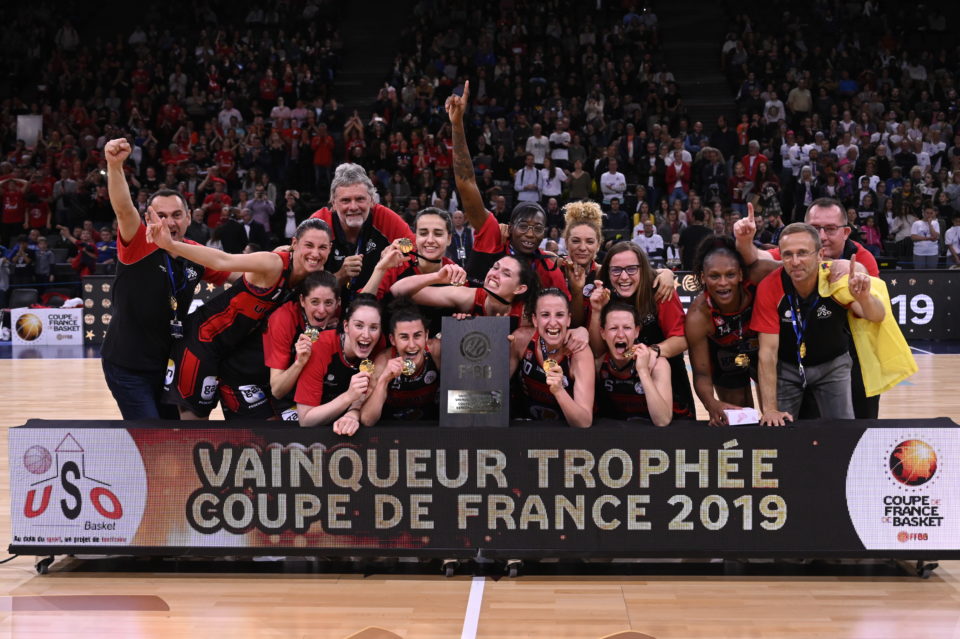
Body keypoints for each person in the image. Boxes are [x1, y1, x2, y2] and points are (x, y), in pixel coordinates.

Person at [150, 216, 331, 419]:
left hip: (232, 352)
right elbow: (223, 260)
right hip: (203, 340)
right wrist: (171, 244)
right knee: (194, 425)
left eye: (322, 247)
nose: (315, 253)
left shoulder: (313, 276)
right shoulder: (273, 263)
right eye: (309, 245)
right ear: (295, 243)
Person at [102, 138, 232, 420]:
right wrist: (114, 166)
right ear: (149, 219)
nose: (169, 223)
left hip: (169, 365)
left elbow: (239, 270)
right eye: (160, 216)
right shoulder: (137, 242)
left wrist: (284, 260)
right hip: (128, 365)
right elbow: (124, 208)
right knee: (150, 435)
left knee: (171, 437)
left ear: (188, 218)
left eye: (176, 215)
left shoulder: (195, 253)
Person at [750, 224, 886, 426]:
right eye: (788, 255)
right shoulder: (770, 286)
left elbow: (877, 316)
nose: (795, 262)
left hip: (833, 365)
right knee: (778, 429)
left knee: (843, 430)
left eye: (802, 253)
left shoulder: (837, 279)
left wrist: (865, 298)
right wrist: (770, 409)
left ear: (820, 254)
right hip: (786, 367)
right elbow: (768, 352)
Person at [446, 83, 569, 296]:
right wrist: (457, 124)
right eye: (524, 226)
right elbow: (466, 182)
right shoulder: (493, 235)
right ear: (509, 228)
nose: (530, 234)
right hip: (471, 325)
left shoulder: (549, 268)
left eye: (538, 228)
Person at [587, 242, 695, 419]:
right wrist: (597, 311)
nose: (623, 277)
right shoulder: (604, 295)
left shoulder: (660, 290)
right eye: (616, 270)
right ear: (607, 272)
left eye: (631, 269)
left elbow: (681, 338)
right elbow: (597, 351)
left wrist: (654, 352)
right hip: (619, 391)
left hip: (665, 384)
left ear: (642, 269)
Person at [685, 235, 764, 426]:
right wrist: (711, 404)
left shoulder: (759, 276)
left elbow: (796, 266)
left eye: (730, 274)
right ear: (703, 278)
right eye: (714, 276)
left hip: (762, 347)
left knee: (776, 411)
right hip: (725, 355)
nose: (723, 283)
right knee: (740, 419)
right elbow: (702, 374)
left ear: (740, 275)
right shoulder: (698, 315)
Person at [309, 163, 415, 298]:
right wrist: (339, 276)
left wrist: (393, 259)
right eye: (345, 200)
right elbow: (305, 283)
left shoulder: (384, 217)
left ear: (372, 201)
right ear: (333, 204)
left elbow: (412, 246)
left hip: (377, 303)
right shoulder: (318, 224)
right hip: (329, 308)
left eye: (360, 199)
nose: (353, 207)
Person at [295, 294, 383, 433]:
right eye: (359, 326)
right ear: (346, 326)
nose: (366, 335)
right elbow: (305, 420)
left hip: (348, 421)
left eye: (374, 327)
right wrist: (348, 397)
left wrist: (353, 413)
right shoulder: (319, 347)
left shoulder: (379, 347)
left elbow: (369, 394)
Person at [509, 288, 595, 427]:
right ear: (535, 320)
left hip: (564, 432)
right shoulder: (521, 340)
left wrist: (559, 391)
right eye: (545, 315)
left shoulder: (579, 353)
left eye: (560, 315)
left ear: (568, 320)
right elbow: (496, 387)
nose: (553, 323)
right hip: (527, 427)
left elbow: (584, 421)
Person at [263, 270, 341, 421]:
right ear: (302, 301)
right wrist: (299, 363)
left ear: (338, 303)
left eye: (329, 303)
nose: (321, 310)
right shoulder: (283, 319)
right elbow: (278, 390)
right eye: (314, 302)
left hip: (325, 391)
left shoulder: (346, 321)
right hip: (286, 396)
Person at [360, 299, 442, 425]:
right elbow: (367, 420)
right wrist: (384, 380)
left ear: (426, 335)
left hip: (432, 426)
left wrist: (463, 322)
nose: (412, 345)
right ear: (392, 340)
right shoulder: (383, 362)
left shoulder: (436, 351)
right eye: (404, 337)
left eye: (417, 336)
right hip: (393, 430)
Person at [391, 257, 535, 328]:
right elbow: (397, 291)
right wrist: (437, 277)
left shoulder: (527, 316)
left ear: (519, 289)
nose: (494, 274)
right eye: (495, 267)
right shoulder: (468, 296)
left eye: (506, 274)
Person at [594, 301, 673, 425]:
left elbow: (663, 420)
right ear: (603, 333)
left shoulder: (658, 364)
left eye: (627, 328)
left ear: (636, 331)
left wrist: (643, 371)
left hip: (654, 438)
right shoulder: (598, 365)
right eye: (613, 328)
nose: (620, 335)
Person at [910, 204, 940, 269]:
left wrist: (930, 224)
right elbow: (913, 237)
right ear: (923, 213)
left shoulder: (935, 223)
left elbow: (935, 237)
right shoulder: (916, 223)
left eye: (931, 213)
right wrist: (928, 238)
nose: (929, 215)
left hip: (932, 252)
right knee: (919, 273)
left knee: (932, 273)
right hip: (919, 252)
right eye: (927, 213)